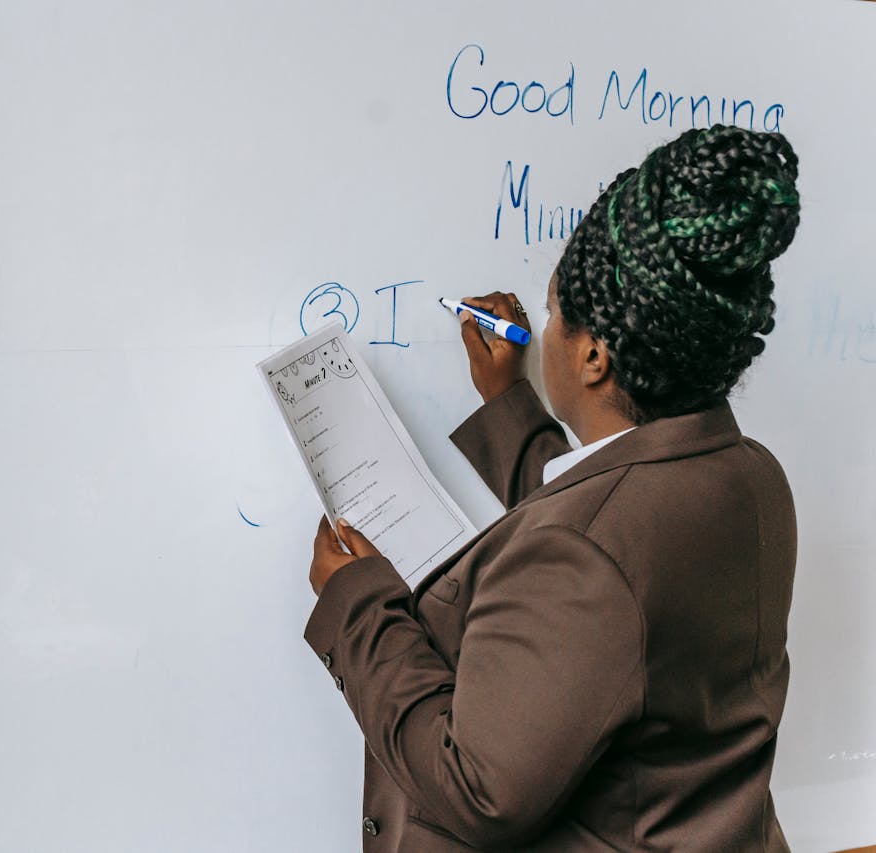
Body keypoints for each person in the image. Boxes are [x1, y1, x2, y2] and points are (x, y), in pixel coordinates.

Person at [302, 124, 801, 851]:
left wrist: (358, 607)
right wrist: (509, 402)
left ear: (594, 357)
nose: (548, 325)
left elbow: (479, 791)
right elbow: (609, 529)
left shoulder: (586, 555)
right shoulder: (753, 476)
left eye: (556, 311)